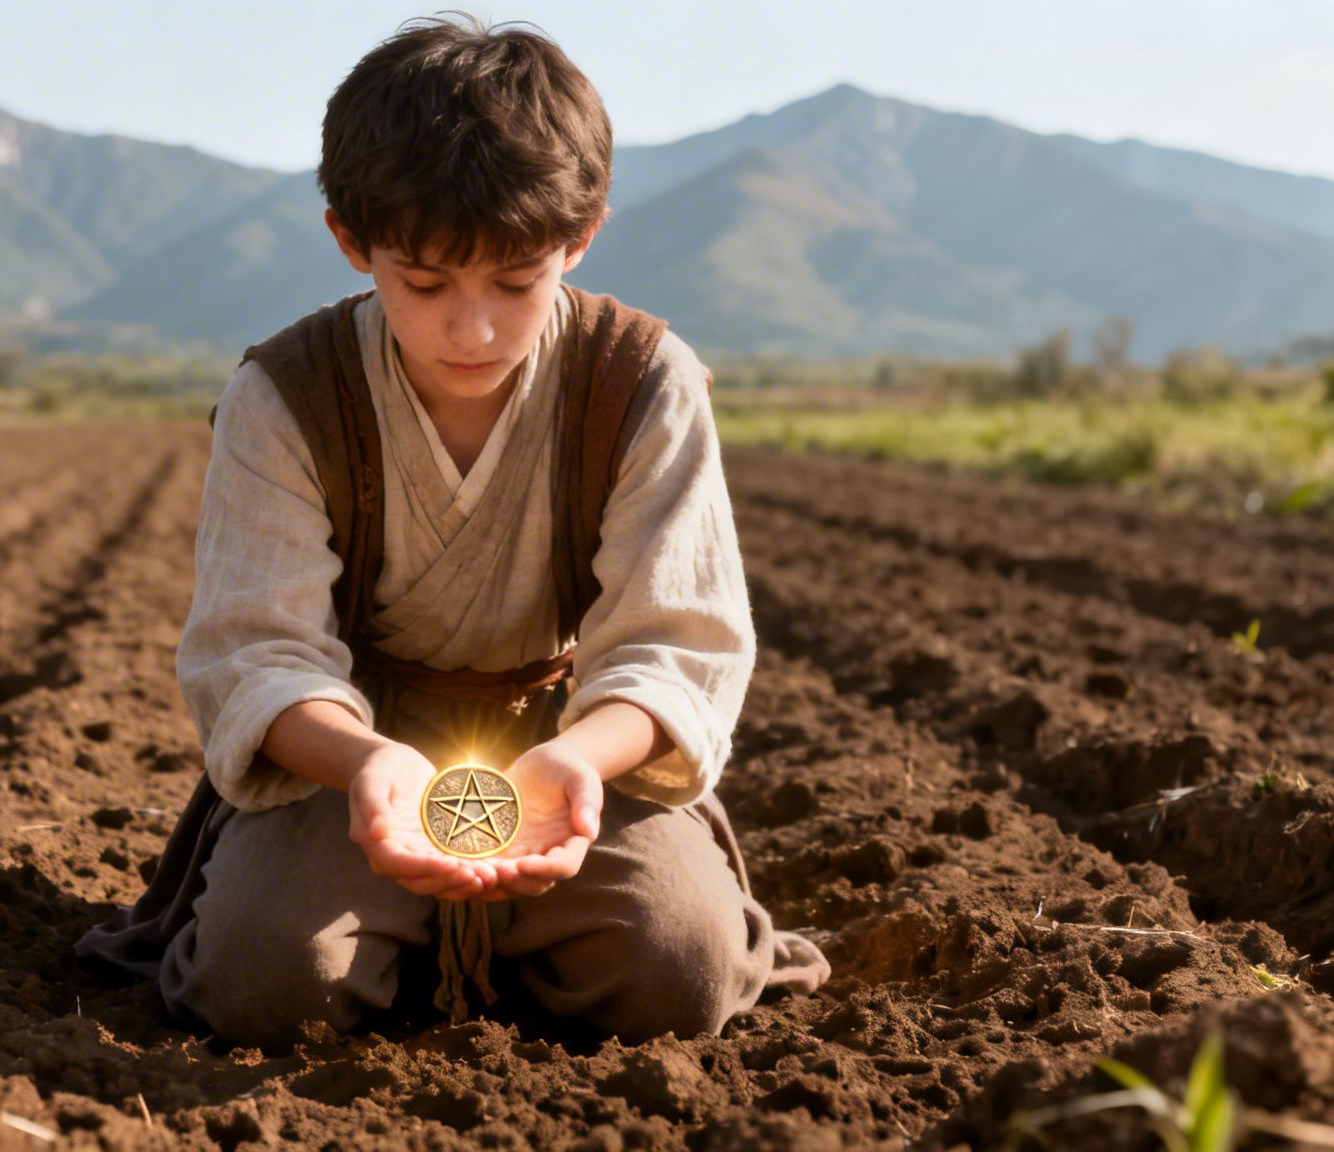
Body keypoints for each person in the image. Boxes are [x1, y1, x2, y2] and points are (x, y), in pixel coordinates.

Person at [77, 13, 829, 1048]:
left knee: (679, 972)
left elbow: (674, 642)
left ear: (581, 235)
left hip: (573, 746)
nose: (470, 328)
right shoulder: (285, 396)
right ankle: (421, 934)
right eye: (424, 283)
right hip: (346, 750)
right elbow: (261, 649)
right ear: (350, 239)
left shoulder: (640, 382)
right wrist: (368, 766)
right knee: (265, 986)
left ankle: (465, 941)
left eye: (517, 281)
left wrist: (573, 766)